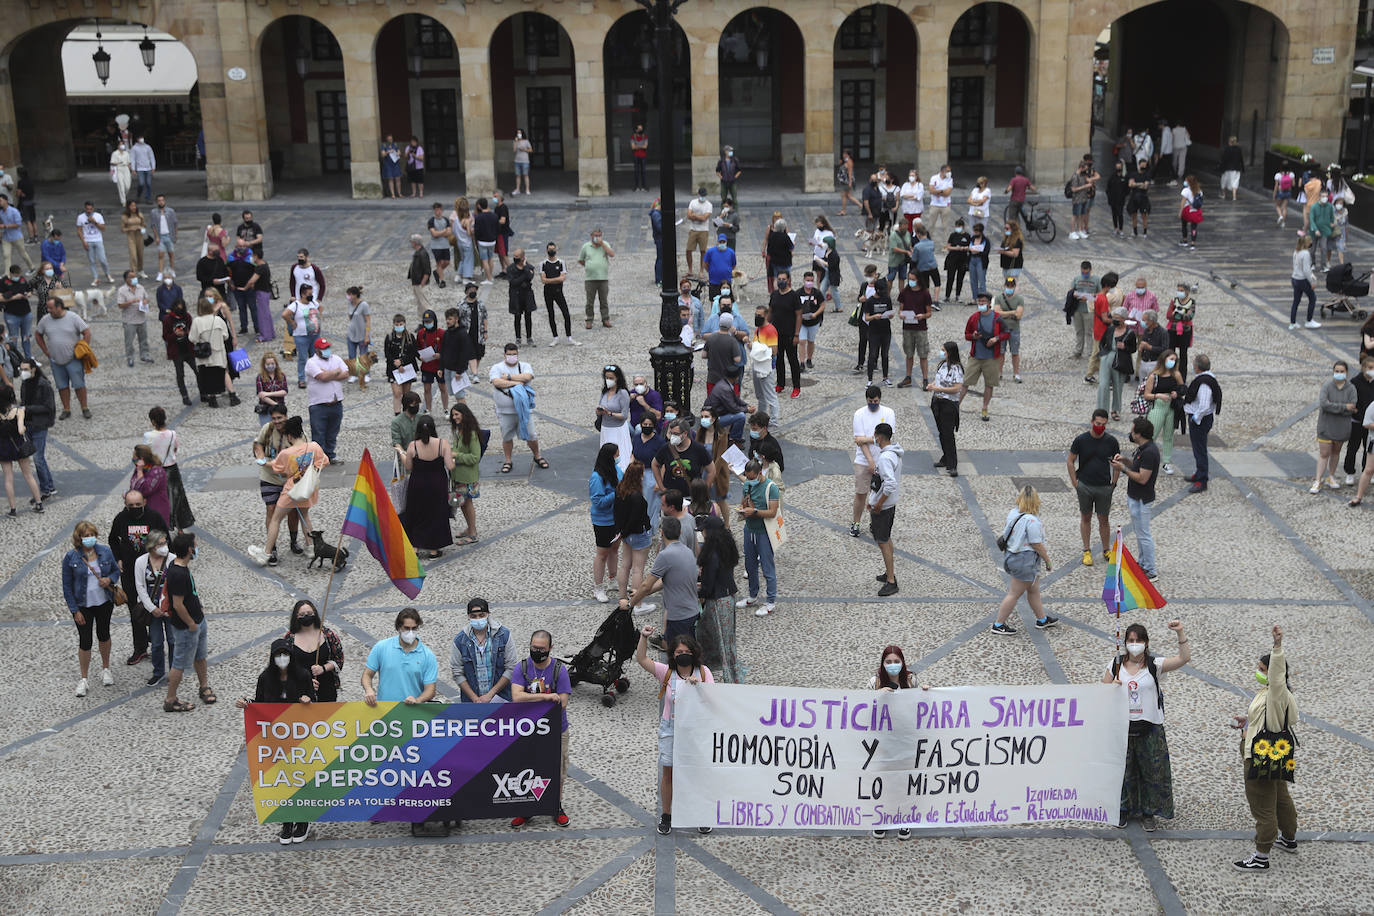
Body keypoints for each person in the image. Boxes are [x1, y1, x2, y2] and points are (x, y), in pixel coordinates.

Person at [1101, 620, 1189, 830]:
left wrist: (1180, 633)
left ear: (1146, 643)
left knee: (1152, 771)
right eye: (1130, 640)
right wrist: (1111, 687)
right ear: (1125, 643)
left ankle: (1149, 812)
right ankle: (1122, 809)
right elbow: (1100, 694)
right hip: (1122, 728)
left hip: (1149, 728)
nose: (1134, 644)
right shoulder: (1115, 665)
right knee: (1122, 771)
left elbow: (1184, 658)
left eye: (1138, 640)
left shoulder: (1154, 665)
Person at [1229, 624, 1298, 872]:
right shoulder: (1276, 694)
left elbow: (1277, 674)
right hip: (1276, 753)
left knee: (1262, 804)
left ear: (1273, 673)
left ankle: (1261, 855)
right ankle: (1288, 838)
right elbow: (1271, 718)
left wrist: (1277, 646)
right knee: (1280, 796)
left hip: (1260, 755)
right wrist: (1247, 722)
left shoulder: (1276, 690)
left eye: (1261, 669)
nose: (1257, 673)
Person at [234, 637, 316, 844]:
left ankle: (303, 821)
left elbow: (316, 707)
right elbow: (260, 704)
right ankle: (287, 822)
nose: (282, 658)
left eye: (286, 654)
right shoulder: (265, 678)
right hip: (275, 741)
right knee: (282, 781)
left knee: (300, 779)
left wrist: (308, 700)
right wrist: (247, 704)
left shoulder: (303, 676)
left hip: (299, 740)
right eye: (278, 655)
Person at [635, 624, 714, 836]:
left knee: (696, 772)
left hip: (695, 729)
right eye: (679, 652)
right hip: (671, 727)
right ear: (672, 654)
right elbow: (642, 660)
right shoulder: (667, 672)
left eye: (687, 652)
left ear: (694, 653)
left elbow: (714, 700)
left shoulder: (704, 673)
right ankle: (667, 815)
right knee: (668, 772)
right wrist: (644, 637)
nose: (683, 656)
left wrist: (700, 687)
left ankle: (700, 813)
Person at [509, 629, 572, 827]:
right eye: (534, 648)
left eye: (541, 649)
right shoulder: (522, 667)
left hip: (556, 730)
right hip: (529, 730)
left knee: (558, 769)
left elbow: (562, 702)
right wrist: (546, 697)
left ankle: (556, 806)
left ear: (550, 649)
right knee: (528, 768)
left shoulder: (559, 670)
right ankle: (527, 808)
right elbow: (517, 697)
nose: (537, 651)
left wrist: (537, 699)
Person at [63, 521, 120, 696]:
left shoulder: (105, 552)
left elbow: (116, 572)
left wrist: (109, 580)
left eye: (92, 535)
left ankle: (105, 668)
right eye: (86, 536)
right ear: (79, 537)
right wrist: (75, 610)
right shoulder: (71, 557)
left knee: (104, 634)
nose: (90, 538)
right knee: (85, 640)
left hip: (104, 602)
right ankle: (84, 678)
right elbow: (67, 586)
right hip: (83, 605)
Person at [262, 416, 328, 565]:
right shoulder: (314, 446)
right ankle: (311, 547)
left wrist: (265, 463)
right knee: (305, 517)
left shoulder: (286, 453)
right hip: (309, 488)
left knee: (276, 519)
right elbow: (324, 461)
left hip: (292, 490)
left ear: (289, 436)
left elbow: (278, 468)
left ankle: (266, 552)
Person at [990, 485, 1056, 635]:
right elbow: (1036, 544)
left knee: (1033, 590)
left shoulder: (1013, 513)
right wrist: (1048, 560)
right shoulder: (1032, 521)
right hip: (1025, 561)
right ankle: (998, 624)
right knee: (1014, 593)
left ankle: (1042, 619)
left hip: (1013, 557)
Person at [163, 532, 216, 712]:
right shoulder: (178, 573)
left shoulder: (180, 567)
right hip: (187, 626)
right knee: (179, 663)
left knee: (200, 656)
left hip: (197, 621)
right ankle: (171, 699)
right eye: (195, 545)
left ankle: (204, 686)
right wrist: (191, 623)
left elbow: (189, 595)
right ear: (189, 550)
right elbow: (177, 604)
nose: (196, 548)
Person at [396, 414, 455, 560]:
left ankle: (415, 547)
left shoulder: (413, 445)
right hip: (437, 483)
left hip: (418, 484)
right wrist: (454, 458)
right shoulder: (443, 443)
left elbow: (409, 466)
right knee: (436, 513)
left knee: (416, 513)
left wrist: (402, 453)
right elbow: (450, 466)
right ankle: (434, 549)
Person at [1069, 408, 1121, 568]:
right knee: (1086, 517)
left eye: (1104, 424)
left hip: (1104, 486)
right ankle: (1086, 550)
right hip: (1085, 485)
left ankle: (1106, 549)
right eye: (1098, 423)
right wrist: (1075, 482)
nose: (1100, 427)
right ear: (1092, 422)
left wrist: (1114, 482)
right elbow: (1070, 460)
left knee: (1104, 519)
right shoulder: (1081, 440)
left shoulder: (1112, 442)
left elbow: (1117, 463)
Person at [1112, 416, 1162, 579]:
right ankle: (1143, 564)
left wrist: (1123, 469)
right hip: (1136, 497)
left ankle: (1150, 570)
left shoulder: (1149, 452)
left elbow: (1142, 478)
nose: (1130, 433)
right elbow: (1138, 466)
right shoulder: (1143, 449)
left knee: (1144, 534)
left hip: (1142, 499)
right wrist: (1126, 461)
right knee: (1140, 533)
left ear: (1139, 434)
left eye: (1132, 430)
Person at [490, 341, 547, 472]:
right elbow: (496, 382)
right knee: (507, 436)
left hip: (525, 410)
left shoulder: (525, 365)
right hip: (505, 412)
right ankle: (508, 460)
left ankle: (537, 456)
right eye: (509, 354)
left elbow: (527, 377)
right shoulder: (497, 367)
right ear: (504, 355)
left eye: (514, 354)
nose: (512, 357)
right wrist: (517, 382)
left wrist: (509, 378)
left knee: (532, 435)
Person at [253, 405, 302, 557]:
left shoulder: (295, 430)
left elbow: (303, 451)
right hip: (269, 477)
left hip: (290, 479)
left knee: (293, 511)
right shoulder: (267, 428)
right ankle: (272, 547)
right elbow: (258, 444)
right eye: (274, 418)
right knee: (271, 509)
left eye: (279, 418)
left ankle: (294, 541)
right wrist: (261, 457)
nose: (276, 421)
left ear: (286, 416)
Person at [362, 609, 438, 706]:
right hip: (384, 710)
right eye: (406, 628)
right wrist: (369, 690)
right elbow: (367, 674)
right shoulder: (381, 647)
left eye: (414, 628)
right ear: (398, 627)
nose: (410, 632)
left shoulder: (428, 655)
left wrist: (418, 700)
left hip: (413, 711)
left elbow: (430, 689)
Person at [35, 295, 92, 420]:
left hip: (74, 359)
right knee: (62, 386)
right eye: (47, 308)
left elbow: (86, 332)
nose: (48, 310)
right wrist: (45, 351)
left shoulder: (73, 318)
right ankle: (66, 409)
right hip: (55, 360)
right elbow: (38, 334)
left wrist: (83, 348)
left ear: (59, 307)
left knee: (79, 384)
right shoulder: (45, 320)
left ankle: (84, 408)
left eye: (50, 308)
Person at [850, 385, 896, 537]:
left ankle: (874, 522)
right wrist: (870, 460)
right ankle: (856, 522)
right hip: (863, 460)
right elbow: (860, 441)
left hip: (882, 459)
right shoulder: (859, 414)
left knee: (877, 494)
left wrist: (864, 439)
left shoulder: (888, 413)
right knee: (861, 493)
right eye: (870, 401)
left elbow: (886, 436)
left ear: (880, 399)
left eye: (875, 401)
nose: (873, 404)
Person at [737, 459, 780, 616]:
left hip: (764, 532)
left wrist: (755, 512)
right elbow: (743, 504)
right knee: (750, 565)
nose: (749, 480)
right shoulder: (748, 485)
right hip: (749, 530)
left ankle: (770, 601)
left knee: (768, 567)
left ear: (759, 473)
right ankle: (752, 595)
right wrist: (743, 507)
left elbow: (772, 512)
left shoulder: (771, 488)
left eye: (751, 477)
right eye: (747, 477)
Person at [451, 597, 513, 704]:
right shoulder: (460, 641)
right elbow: (457, 672)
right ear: (468, 617)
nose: (478, 619)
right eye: (473, 616)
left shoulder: (504, 635)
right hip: (471, 702)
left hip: (501, 699)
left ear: (488, 614)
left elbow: (511, 667)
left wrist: (490, 695)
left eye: (481, 615)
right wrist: (475, 698)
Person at [133, 530, 174, 686]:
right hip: (152, 608)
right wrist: (152, 608)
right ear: (152, 546)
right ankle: (158, 672)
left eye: (165, 543)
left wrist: (169, 606)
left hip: (169, 607)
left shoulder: (172, 559)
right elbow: (140, 587)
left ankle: (174, 671)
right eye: (161, 544)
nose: (164, 546)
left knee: (173, 640)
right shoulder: (141, 562)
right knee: (156, 643)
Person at [143, 407, 194, 532]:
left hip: (156, 470)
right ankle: (180, 528)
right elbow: (175, 449)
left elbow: (145, 453)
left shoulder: (148, 436)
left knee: (158, 499)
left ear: (153, 421)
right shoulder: (172, 434)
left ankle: (161, 525)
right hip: (172, 469)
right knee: (177, 498)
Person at [1310, 360, 1358, 494]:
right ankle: (1318, 480)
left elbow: (1353, 407)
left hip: (1342, 427)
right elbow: (1324, 404)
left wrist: (1335, 407)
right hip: (1326, 426)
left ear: (1346, 372)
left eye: (1342, 371)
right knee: (1324, 453)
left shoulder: (1351, 388)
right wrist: (1343, 407)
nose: (1339, 373)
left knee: (1335, 453)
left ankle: (1331, 476)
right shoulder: (1327, 386)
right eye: (1337, 371)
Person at [867, 423, 903, 597]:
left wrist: (879, 503)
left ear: (879, 437)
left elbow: (889, 484)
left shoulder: (884, 458)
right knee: (886, 539)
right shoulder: (894, 454)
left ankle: (891, 581)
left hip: (884, 506)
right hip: (889, 504)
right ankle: (889, 572)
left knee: (882, 541)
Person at [962, 293, 1008, 422]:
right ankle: (956, 406)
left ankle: (984, 408)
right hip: (976, 356)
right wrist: (973, 336)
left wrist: (996, 339)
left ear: (989, 303)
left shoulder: (997, 318)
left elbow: (1006, 333)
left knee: (989, 384)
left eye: (983, 301)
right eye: (979, 301)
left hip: (992, 357)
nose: (981, 304)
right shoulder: (974, 318)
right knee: (965, 382)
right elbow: (967, 334)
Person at [15, 357, 55, 498]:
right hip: (29, 425)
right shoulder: (25, 384)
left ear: (33, 369)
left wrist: (28, 409)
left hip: (39, 425)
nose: (23, 372)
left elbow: (48, 407)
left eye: (25, 369)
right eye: (21, 369)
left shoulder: (44, 385)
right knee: (39, 458)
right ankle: (49, 485)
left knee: (38, 458)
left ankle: (45, 489)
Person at [0, 384, 42, 515]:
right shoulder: (18, 411)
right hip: (19, 447)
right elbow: (20, 430)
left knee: (8, 477)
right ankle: (39, 503)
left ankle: (13, 509)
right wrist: (23, 428)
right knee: (28, 475)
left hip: (3, 448)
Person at [588, 442, 622, 604]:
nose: (618, 458)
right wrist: (616, 493)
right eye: (616, 455)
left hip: (617, 518)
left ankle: (613, 579)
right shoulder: (596, 477)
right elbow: (598, 501)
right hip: (603, 521)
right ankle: (598, 587)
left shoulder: (617, 470)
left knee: (614, 549)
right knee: (602, 554)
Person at [1182, 353, 1221, 493]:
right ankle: (1199, 473)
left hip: (1200, 420)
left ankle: (1202, 480)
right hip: (1202, 419)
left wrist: (1195, 418)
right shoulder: (1209, 378)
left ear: (1197, 367)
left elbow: (1204, 405)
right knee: (1198, 448)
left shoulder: (1204, 383)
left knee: (1200, 449)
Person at [926, 341, 964, 477]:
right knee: (941, 432)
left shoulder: (956, 369)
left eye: (943, 350)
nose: (941, 352)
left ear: (950, 352)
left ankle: (952, 464)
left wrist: (939, 389)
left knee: (948, 433)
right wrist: (933, 385)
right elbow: (939, 380)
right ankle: (945, 457)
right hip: (938, 401)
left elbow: (957, 388)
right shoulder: (942, 365)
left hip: (949, 404)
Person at [1144, 351, 1184, 477]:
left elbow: (1183, 388)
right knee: (1152, 435)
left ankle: (1166, 462)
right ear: (1164, 359)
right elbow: (1147, 395)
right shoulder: (1154, 376)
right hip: (1158, 406)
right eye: (1171, 359)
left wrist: (1177, 394)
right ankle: (1145, 460)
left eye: (1175, 360)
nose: (1173, 361)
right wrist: (1158, 395)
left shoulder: (1176, 374)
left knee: (1168, 435)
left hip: (1171, 408)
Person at [448, 402, 482, 545]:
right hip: (458, 476)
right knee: (463, 503)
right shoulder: (459, 431)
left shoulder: (471, 434)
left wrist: (457, 455)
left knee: (467, 504)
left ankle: (473, 533)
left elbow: (475, 457)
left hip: (467, 477)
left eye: (457, 414)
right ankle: (469, 528)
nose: (454, 417)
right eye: (453, 415)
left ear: (464, 415)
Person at [189, 298, 232, 408]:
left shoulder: (197, 321)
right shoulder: (217, 320)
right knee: (220, 374)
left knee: (207, 376)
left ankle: (212, 398)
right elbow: (226, 336)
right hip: (218, 353)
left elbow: (192, 338)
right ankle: (232, 395)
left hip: (205, 355)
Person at [1342, 354, 1374, 487]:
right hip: (1357, 421)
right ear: (1363, 368)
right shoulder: (1355, 382)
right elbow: (1351, 400)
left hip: (1371, 423)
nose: (1372, 370)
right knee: (1353, 447)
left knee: (1369, 449)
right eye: (1370, 367)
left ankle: (1367, 471)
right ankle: (1350, 472)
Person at [540, 242, 577, 346]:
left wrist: (550, 279)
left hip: (558, 291)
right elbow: (543, 280)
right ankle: (555, 337)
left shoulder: (561, 262)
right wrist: (556, 279)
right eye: (550, 249)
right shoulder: (543, 264)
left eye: (553, 249)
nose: (551, 251)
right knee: (551, 314)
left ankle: (569, 336)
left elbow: (562, 278)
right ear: (546, 251)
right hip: (548, 292)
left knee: (566, 313)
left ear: (556, 250)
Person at [860, 274, 895, 387]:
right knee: (872, 355)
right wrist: (874, 317)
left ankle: (885, 377)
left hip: (886, 330)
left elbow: (891, 312)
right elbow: (866, 317)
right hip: (874, 331)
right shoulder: (870, 301)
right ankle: (870, 379)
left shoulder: (887, 299)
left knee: (885, 354)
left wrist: (889, 315)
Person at [578, 228, 615, 330]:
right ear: (591, 236)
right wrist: (589, 266)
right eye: (595, 236)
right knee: (590, 302)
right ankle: (589, 320)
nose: (597, 238)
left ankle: (605, 319)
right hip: (590, 279)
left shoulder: (605, 244)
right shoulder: (586, 246)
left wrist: (602, 244)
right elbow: (580, 260)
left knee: (604, 301)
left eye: (599, 235)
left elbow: (612, 254)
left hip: (603, 278)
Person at [115, 270, 153, 367]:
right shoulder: (122, 290)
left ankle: (145, 355)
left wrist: (145, 301)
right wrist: (131, 301)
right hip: (129, 320)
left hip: (141, 318)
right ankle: (130, 358)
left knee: (143, 339)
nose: (134, 279)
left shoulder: (141, 287)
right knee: (129, 341)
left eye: (134, 276)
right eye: (131, 277)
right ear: (126, 279)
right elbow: (120, 305)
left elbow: (147, 298)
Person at [992, 275, 1026, 383]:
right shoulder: (998, 298)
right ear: (1005, 285)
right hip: (1002, 329)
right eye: (1008, 285)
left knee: (1015, 352)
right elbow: (997, 313)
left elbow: (1019, 315)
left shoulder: (1020, 299)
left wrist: (1004, 313)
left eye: (1012, 286)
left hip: (1014, 329)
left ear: (1015, 287)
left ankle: (1016, 374)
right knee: (1001, 352)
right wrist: (1012, 312)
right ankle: (999, 373)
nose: (1009, 288)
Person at [416, 308, 446, 414]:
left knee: (443, 387)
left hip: (439, 366)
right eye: (425, 322)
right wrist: (419, 356)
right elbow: (417, 348)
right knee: (427, 389)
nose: (427, 324)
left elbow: (448, 350)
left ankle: (446, 409)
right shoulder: (420, 333)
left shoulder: (442, 333)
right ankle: (428, 409)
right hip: (427, 366)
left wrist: (440, 355)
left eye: (429, 322)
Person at [76, 201, 112, 285]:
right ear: (85, 208)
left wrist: (94, 222)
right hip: (88, 240)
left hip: (98, 240)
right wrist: (83, 241)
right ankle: (96, 278)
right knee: (92, 261)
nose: (89, 211)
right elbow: (79, 231)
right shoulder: (80, 217)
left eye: (90, 209)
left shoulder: (98, 216)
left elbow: (103, 228)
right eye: (87, 209)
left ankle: (108, 274)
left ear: (93, 208)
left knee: (103, 259)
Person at [1166, 283, 1196, 382]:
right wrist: (1180, 314)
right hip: (1172, 330)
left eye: (1181, 290)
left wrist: (1177, 315)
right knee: (1170, 352)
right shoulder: (1174, 301)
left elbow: (1189, 316)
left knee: (1183, 354)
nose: (1179, 292)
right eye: (1178, 290)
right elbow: (1168, 315)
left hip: (1185, 331)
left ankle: (1182, 377)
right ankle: (1169, 374)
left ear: (1187, 291)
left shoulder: (1191, 302)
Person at [684, 187, 712, 280]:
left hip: (703, 230)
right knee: (688, 250)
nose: (702, 197)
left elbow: (705, 218)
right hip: (693, 229)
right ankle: (690, 269)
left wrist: (694, 215)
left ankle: (701, 270)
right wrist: (699, 217)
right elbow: (688, 215)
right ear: (698, 194)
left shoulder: (709, 205)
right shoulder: (693, 202)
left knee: (703, 251)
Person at [1069, 156, 1099, 240]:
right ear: (1081, 168)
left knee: (1082, 215)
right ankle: (1072, 232)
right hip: (1077, 198)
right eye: (1085, 169)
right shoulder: (1075, 176)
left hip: (1083, 198)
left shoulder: (1083, 175)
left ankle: (1079, 230)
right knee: (1075, 215)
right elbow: (1074, 189)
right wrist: (1085, 186)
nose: (1086, 171)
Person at [943, 218, 971, 304]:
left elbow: (970, 247)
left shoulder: (967, 236)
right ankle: (947, 296)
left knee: (960, 278)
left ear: (963, 227)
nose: (957, 228)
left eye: (959, 226)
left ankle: (957, 295)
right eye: (956, 226)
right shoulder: (953, 235)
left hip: (962, 259)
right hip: (952, 259)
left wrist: (965, 248)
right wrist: (956, 248)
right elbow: (948, 247)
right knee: (950, 278)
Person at [1137, 309, 1167, 380]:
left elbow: (1164, 349)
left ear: (1151, 321)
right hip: (1144, 361)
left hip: (1155, 363)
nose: (1142, 322)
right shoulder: (1146, 331)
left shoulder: (1163, 333)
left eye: (1144, 320)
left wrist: (1150, 347)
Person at [406, 234, 432, 318]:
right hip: (416, 283)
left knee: (425, 304)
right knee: (420, 304)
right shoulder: (418, 253)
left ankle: (430, 319)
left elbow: (427, 270)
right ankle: (422, 321)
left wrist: (422, 284)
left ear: (415, 243)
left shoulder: (422, 254)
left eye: (412, 242)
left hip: (420, 283)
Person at [255, 352, 288, 417]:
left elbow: (284, 391)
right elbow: (261, 395)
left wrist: (268, 394)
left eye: (272, 363)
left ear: (276, 364)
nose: (270, 366)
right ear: (264, 365)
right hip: (266, 409)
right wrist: (276, 405)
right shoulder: (260, 377)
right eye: (268, 364)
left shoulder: (282, 375)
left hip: (280, 408)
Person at [1003, 166, 1036, 230]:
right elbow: (1033, 188)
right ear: (1022, 173)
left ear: (1015, 173)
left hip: (1014, 201)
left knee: (1011, 219)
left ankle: (1008, 234)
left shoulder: (1014, 180)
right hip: (1021, 201)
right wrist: (1028, 187)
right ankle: (1018, 231)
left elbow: (1009, 188)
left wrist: (1006, 191)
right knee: (1017, 216)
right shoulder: (1025, 179)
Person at [120, 200, 147, 278]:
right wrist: (130, 229)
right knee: (133, 256)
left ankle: (141, 270)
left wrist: (140, 227)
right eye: (132, 206)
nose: (134, 207)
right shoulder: (125, 216)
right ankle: (134, 272)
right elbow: (122, 229)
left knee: (140, 255)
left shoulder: (140, 215)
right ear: (128, 207)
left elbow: (144, 226)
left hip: (140, 237)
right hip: (131, 238)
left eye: (135, 205)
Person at [1105, 160, 1128, 238]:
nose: (1118, 169)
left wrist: (1124, 195)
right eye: (1117, 167)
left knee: (1120, 214)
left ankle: (1121, 229)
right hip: (1113, 200)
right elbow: (1108, 188)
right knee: (1114, 214)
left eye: (1119, 167)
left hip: (1121, 199)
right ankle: (1115, 228)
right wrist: (1110, 197)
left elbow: (1127, 189)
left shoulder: (1124, 177)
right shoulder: (1112, 177)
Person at [1179, 175, 1202, 250]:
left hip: (1187, 210)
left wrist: (1180, 211)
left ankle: (1185, 240)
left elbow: (1183, 202)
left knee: (1184, 225)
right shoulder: (1199, 191)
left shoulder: (1186, 190)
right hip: (1195, 210)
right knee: (1194, 227)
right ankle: (1193, 243)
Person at [1219, 136, 1244, 200]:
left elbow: (1224, 159)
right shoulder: (1239, 149)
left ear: (1230, 142)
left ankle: (1223, 194)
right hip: (1237, 168)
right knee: (1235, 182)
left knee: (1224, 181)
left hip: (1228, 168)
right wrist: (1243, 168)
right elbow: (1241, 159)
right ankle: (1234, 196)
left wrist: (1221, 167)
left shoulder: (1227, 149)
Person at [110, 141, 133, 206]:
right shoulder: (115, 153)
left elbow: (129, 162)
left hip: (126, 169)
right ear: (118, 146)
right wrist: (118, 163)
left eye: (123, 144)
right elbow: (112, 162)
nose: (122, 145)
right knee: (121, 186)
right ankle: (123, 201)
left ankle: (124, 196)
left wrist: (131, 170)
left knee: (127, 186)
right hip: (119, 169)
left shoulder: (126, 153)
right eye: (120, 144)